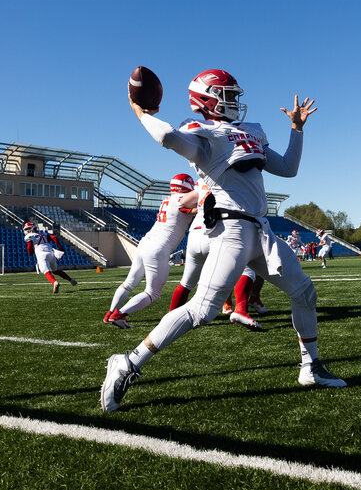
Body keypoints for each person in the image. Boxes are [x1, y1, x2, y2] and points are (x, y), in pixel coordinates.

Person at [101, 70, 345, 413]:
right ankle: (127, 363)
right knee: (202, 310)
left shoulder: (251, 132)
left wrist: (297, 129)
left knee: (304, 292)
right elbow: (168, 137)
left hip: (262, 229)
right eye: (227, 95)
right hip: (230, 229)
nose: (235, 103)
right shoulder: (201, 134)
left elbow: (289, 168)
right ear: (206, 98)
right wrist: (142, 113)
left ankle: (310, 366)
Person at [103, 173, 197, 328]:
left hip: (145, 242)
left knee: (129, 283)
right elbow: (200, 197)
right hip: (158, 248)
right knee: (153, 292)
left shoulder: (167, 199)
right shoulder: (183, 199)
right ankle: (119, 315)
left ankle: (110, 313)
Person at [23, 221, 78, 293]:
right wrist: (60, 247)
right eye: (26, 229)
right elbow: (54, 237)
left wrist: (30, 252)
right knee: (55, 270)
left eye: (28, 229)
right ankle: (71, 280)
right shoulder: (43, 234)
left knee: (46, 271)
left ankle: (55, 283)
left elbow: (29, 248)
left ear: (32, 228)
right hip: (51, 253)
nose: (27, 231)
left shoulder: (29, 236)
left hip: (42, 254)